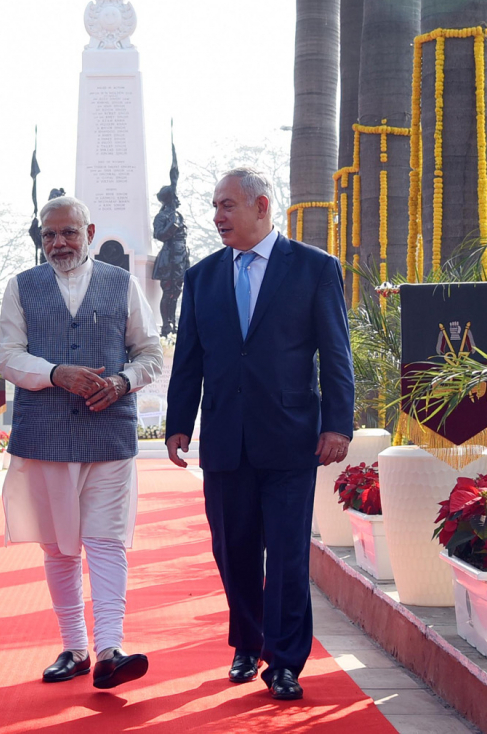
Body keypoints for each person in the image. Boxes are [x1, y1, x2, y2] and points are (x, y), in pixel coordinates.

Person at [164, 167, 354, 702]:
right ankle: (247, 644)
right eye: (215, 207)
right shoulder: (201, 278)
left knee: (289, 555)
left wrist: (338, 424)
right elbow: (189, 361)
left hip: (293, 438)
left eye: (227, 205)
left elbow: (336, 353)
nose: (218, 216)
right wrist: (180, 423)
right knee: (234, 549)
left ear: (262, 206)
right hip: (226, 439)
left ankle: (286, 661)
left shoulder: (315, 269)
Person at [0, 195, 164, 690]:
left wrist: (123, 382)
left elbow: (149, 352)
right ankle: (75, 648)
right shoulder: (20, 287)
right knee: (59, 546)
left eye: (69, 232)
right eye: (49, 234)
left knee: (106, 539)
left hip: (108, 433)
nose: (58, 242)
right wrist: (54, 373)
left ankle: (111, 647)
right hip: (44, 434)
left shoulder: (124, 283)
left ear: (90, 234)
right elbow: (8, 354)